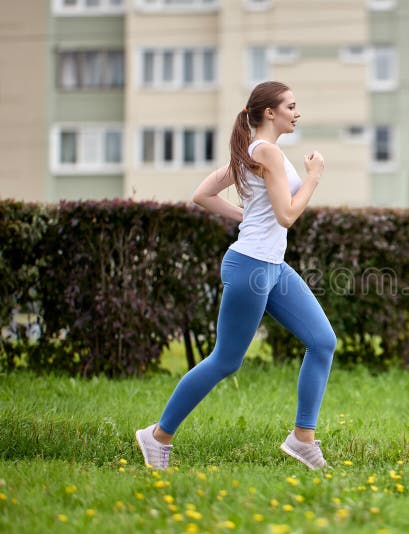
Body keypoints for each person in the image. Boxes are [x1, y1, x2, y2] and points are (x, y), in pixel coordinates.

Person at [136, 81, 336, 471]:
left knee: (323, 341)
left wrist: (247, 218)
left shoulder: (254, 152)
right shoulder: (269, 154)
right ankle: (158, 436)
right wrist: (313, 177)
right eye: (291, 106)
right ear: (269, 113)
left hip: (271, 266)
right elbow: (287, 215)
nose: (297, 113)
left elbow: (202, 194)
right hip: (251, 267)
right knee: (225, 361)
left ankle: (303, 439)